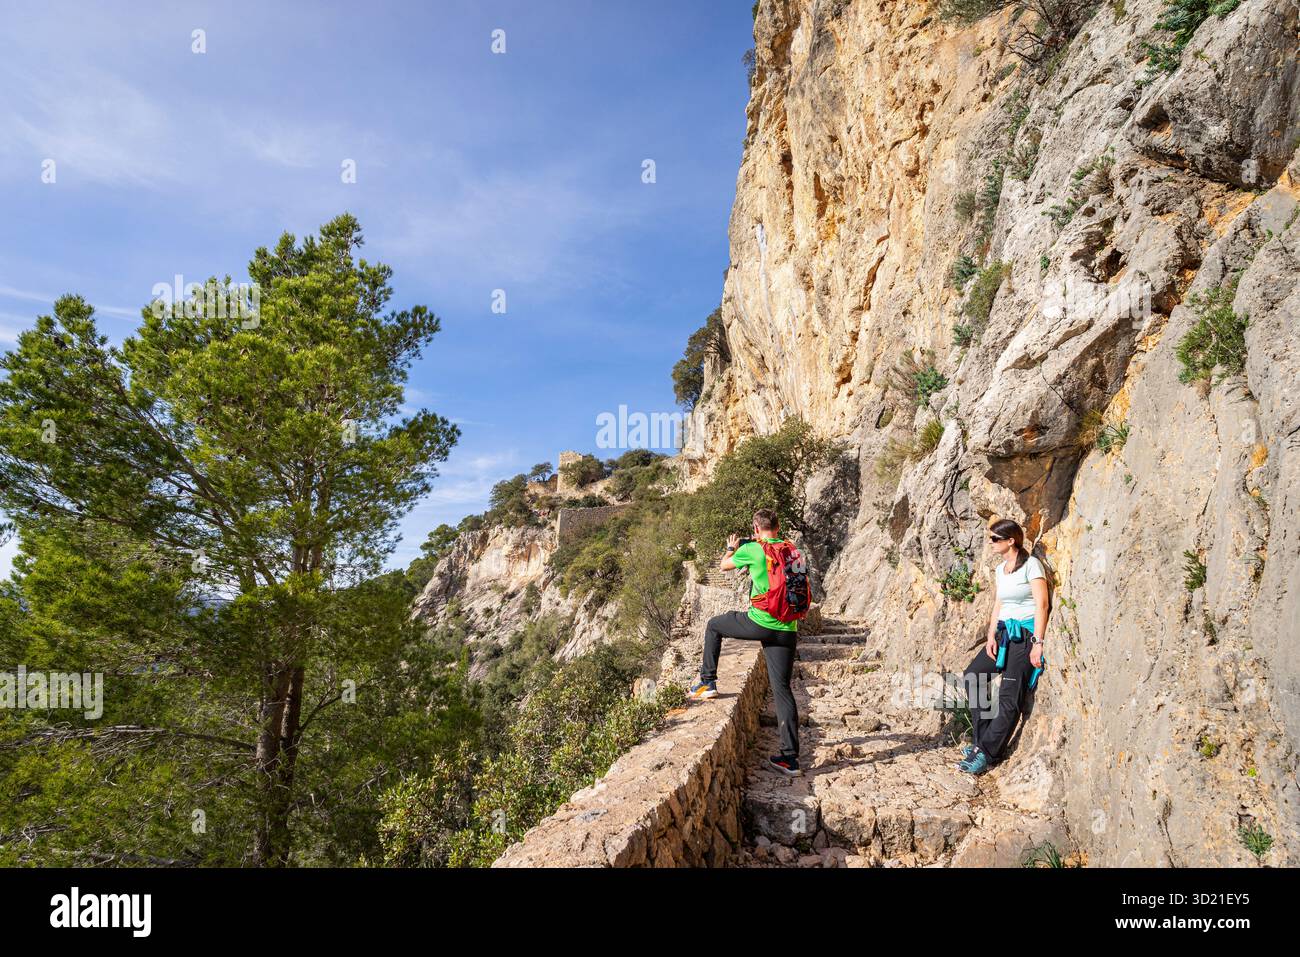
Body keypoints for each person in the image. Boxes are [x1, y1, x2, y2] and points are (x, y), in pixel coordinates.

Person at [689, 509, 805, 777]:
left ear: (756, 528)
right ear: (777, 527)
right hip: (788, 628)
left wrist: (731, 548)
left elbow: (724, 565)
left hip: (760, 623)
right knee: (783, 690)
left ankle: (708, 682)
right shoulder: (792, 549)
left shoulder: (754, 549)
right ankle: (790, 758)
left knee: (714, 625)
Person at [958, 517, 1049, 775]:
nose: (991, 543)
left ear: (1011, 541)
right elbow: (999, 603)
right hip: (1002, 634)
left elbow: (1042, 605)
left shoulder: (1031, 566)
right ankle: (981, 742)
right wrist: (990, 635)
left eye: (995, 539)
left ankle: (986, 753)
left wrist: (1038, 643)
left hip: (1025, 636)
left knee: (1010, 697)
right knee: (973, 676)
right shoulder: (1001, 569)